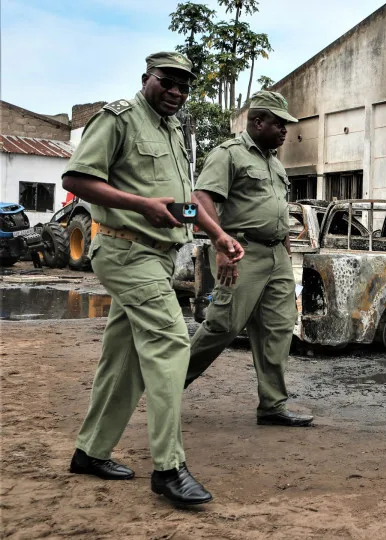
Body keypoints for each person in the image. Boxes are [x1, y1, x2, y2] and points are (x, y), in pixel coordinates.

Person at [62, 51, 244, 506]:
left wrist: (218, 236)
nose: (177, 93)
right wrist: (140, 205)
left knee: (121, 359)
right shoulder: (119, 119)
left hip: (158, 256)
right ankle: (168, 468)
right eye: (168, 82)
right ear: (147, 78)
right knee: (170, 341)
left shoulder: (174, 132)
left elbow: (183, 203)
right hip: (124, 248)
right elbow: (78, 178)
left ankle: (90, 451)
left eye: (184, 86)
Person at [185, 91, 314, 428]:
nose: (285, 130)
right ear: (258, 122)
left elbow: (278, 210)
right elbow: (201, 198)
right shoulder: (229, 154)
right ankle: (168, 383)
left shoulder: (273, 161)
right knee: (224, 325)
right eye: (279, 123)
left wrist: (285, 250)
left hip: (276, 255)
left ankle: (272, 405)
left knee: (279, 328)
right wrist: (221, 245)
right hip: (241, 252)